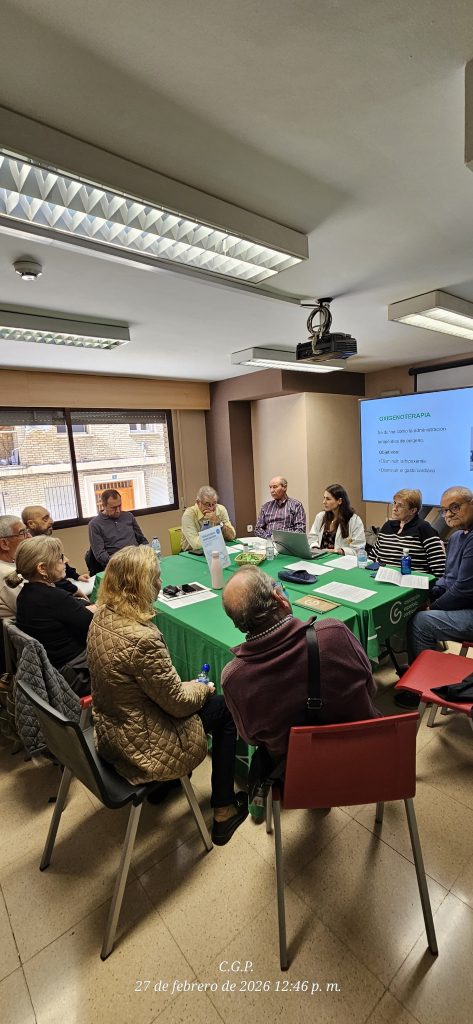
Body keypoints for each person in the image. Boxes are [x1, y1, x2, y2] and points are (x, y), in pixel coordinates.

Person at [86, 545, 248, 845]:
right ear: (139, 586)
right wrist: (202, 688)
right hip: (144, 745)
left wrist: (185, 686)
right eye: (156, 578)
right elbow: (179, 703)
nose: (160, 584)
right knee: (224, 708)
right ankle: (224, 810)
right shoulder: (142, 638)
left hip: (113, 732)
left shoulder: (101, 617)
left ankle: (167, 784)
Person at [221, 565, 380, 763]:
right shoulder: (334, 634)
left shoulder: (234, 678)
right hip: (368, 757)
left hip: (298, 774)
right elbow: (371, 689)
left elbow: (251, 739)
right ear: (280, 598)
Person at [396, 486, 473, 708]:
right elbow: (447, 579)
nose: (448, 514)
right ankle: (420, 667)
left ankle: (424, 688)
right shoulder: (457, 537)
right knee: (416, 607)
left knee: (421, 622)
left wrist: (433, 606)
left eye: (455, 507)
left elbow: (464, 590)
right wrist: (428, 595)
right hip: (462, 605)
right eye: (444, 510)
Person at [6, 536, 94, 695]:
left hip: (54, 672)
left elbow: (71, 612)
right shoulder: (55, 598)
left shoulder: (26, 594)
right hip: (76, 674)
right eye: (60, 558)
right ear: (42, 568)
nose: (66, 560)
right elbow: (94, 625)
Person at [373, 489, 445, 577]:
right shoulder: (387, 526)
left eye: (400, 506)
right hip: (381, 576)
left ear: (412, 511)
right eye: (394, 503)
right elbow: (373, 556)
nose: (394, 508)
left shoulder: (424, 528)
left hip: (411, 580)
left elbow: (439, 568)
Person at [22, 504, 90, 594]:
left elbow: (61, 563)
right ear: (31, 524)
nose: (51, 521)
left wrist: (77, 576)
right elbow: (55, 577)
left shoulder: (45, 541)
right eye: (45, 519)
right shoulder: (31, 549)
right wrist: (76, 590)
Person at [88, 489, 148, 568]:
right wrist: (121, 563)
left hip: (137, 560)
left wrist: (146, 552)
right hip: (116, 566)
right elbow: (100, 555)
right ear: (104, 506)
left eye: (119, 506)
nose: (118, 510)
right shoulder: (95, 524)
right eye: (113, 508)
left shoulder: (129, 516)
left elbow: (142, 540)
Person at [309, 484, 365, 555]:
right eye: (324, 498)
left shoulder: (354, 520)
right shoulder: (320, 516)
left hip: (341, 559)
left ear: (339, 501)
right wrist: (315, 548)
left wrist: (338, 551)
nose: (324, 502)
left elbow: (358, 549)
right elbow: (312, 537)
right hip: (320, 557)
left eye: (328, 499)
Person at [180, 486, 236, 552]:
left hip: (216, 549)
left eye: (214, 504)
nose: (211, 508)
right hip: (191, 552)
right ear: (198, 502)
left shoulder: (221, 509)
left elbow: (232, 536)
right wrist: (217, 537)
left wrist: (218, 523)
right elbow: (196, 544)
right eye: (207, 504)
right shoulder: (189, 515)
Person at [0, 515, 29, 619]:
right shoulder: (7, 575)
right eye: (22, 533)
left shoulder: (10, 563)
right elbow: (37, 608)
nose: (29, 537)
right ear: (4, 544)